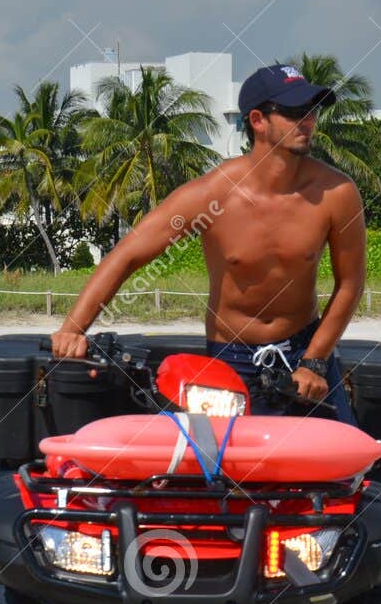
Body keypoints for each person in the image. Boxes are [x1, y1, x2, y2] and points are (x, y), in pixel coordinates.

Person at [51, 64, 363, 422]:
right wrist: (71, 330)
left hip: (305, 352)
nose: (307, 121)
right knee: (225, 474)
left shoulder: (336, 194)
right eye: (294, 112)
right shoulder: (213, 196)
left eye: (313, 110)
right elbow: (127, 256)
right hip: (230, 357)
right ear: (258, 120)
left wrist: (315, 361)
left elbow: (350, 283)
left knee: (345, 470)